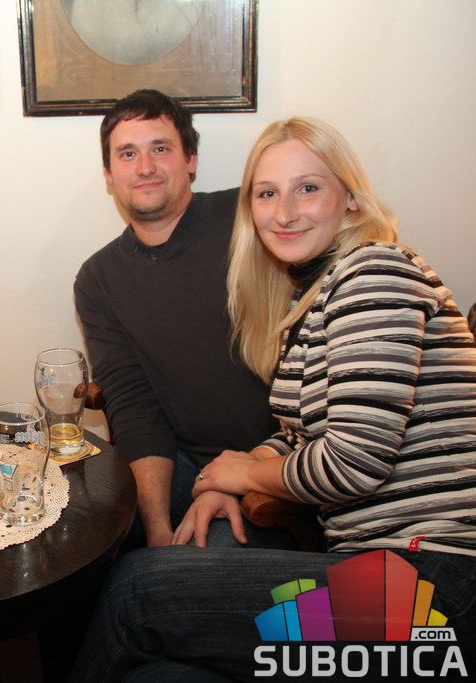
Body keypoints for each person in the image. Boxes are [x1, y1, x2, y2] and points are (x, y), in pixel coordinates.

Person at [70, 117, 476, 680]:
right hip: (369, 568)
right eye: (267, 194)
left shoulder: (374, 275)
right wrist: (230, 474)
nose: (284, 212)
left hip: (435, 592)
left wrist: (246, 475)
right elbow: (299, 433)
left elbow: (355, 462)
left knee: (138, 588)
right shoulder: (313, 298)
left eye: (307, 188)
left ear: (351, 197)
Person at [74, 89, 279, 548]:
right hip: (184, 462)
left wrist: (244, 475)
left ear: (191, 160)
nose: (145, 167)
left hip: (280, 467)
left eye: (160, 148)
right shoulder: (98, 279)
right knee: (79, 523)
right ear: (109, 174)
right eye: (128, 153)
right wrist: (156, 528)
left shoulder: (253, 218)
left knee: (174, 577)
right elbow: (134, 406)